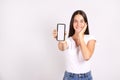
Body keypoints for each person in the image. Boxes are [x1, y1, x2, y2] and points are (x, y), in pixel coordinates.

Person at [53, 10, 96, 80]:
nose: (78, 24)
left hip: (86, 77)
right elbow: (62, 47)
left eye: (81, 21)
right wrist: (62, 40)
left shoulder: (90, 39)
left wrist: (80, 36)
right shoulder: (68, 40)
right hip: (69, 77)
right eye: (75, 21)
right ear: (72, 23)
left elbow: (86, 56)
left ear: (85, 24)